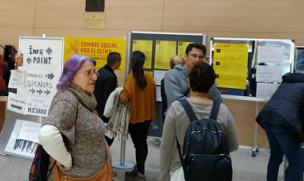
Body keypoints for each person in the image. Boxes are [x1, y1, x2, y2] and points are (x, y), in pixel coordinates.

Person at [159, 62, 239, 181]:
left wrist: (164, 176)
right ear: (212, 87)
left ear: (189, 81)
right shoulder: (222, 110)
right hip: (215, 172)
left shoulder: (176, 108)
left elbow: (166, 147)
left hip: (182, 170)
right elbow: (233, 145)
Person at [38, 54, 109, 179]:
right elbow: (47, 134)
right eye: (88, 73)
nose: (94, 77)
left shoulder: (84, 96)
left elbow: (80, 122)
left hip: (95, 173)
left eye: (94, 72)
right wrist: (66, 161)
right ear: (71, 77)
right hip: (77, 177)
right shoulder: (67, 98)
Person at [256, 73, 304, 181]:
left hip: (267, 118)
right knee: (296, 162)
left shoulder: (288, 83)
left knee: (275, 156)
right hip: (283, 122)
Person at [120, 51, 156, 181]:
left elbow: (124, 97)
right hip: (147, 116)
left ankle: (140, 173)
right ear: (143, 62)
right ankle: (140, 169)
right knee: (143, 143)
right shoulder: (150, 77)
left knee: (138, 145)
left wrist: (118, 93)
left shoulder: (131, 77)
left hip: (135, 117)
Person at [94, 51, 121, 147]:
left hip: (97, 108)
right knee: (108, 138)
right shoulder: (110, 77)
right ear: (117, 62)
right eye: (120, 61)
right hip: (104, 113)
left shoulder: (101, 70)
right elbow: (108, 99)